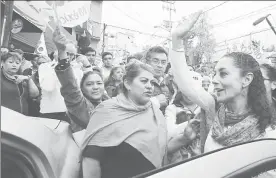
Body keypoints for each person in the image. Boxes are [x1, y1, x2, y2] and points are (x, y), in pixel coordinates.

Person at [170, 11, 274, 154]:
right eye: (214, 73)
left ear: (247, 79)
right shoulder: (214, 109)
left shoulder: (268, 132)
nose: (214, 79)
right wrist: (176, 39)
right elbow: (186, 84)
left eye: (223, 74)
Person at [80, 61, 200, 178]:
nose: (149, 86)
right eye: (144, 81)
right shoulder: (106, 111)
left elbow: (160, 151)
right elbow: (91, 160)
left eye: (152, 82)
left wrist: (185, 138)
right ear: (127, 83)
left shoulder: (155, 112)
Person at [52, 28, 110, 132]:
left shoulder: (110, 104)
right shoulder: (80, 106)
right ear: (82, 89)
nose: (95, 87)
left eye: (99, 83)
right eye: (89, 84)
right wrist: (61, 51)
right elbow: (70, 85)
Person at [144, 46, 174, 113]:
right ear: (147, 62)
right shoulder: (139, 83)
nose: (160, 65)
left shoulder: (168, 83)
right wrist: (155, 101)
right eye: (155, 61)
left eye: (163, 62)